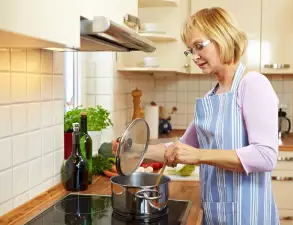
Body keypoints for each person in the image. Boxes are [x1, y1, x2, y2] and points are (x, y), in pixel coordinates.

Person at [113, 7, 279, 225]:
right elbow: (178, 150)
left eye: (199, 46)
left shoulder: (252, 84)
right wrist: (131, 150)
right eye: (190, 50)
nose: (195, 56)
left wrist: (199, 155)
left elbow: (265, 155)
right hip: (216, 212)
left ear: (223, 37)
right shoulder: (212, 95)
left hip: (249, 215)